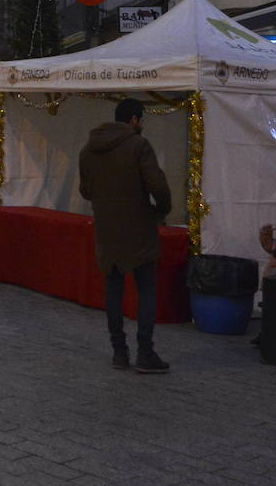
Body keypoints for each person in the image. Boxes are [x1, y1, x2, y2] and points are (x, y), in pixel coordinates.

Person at [79, 98, 173, 374]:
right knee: (145, 288)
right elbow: (158, 185)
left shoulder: (89, 150)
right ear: (133, 119)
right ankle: (145, 352)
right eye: (141, 119)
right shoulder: (138, 145)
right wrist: (161, 211)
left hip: (107, 228)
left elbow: (86, 191)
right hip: (139, 227)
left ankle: (119, 351)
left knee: (113, 289)